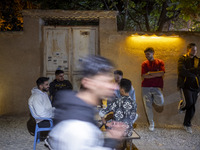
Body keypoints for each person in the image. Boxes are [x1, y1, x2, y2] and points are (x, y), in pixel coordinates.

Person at [46, 55, 126, 150]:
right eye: (106, 81)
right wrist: (113, 140)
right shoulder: (77, 127)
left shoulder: (81, 110)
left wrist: (111, 138)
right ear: (88, 83)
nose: (114, 87)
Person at [177, 43, 200, 134]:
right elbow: (181, 71)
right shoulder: (182, 58)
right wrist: (193, 74)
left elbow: (198, 71)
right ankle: (182, 106)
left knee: (192, 106)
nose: (195, 51)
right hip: (185, 85)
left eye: (196, 50)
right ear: (188, 50)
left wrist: (189, 71)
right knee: (189, 102)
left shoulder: (198, 60)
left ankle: (187, 124)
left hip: (196, 86)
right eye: (193, 49)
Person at [141, 47, 165, 131]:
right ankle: (151, 123)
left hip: (157, 86)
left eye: (148, 54)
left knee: (161, 102)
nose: (146, 56)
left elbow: (162, 73)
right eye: (145, 54)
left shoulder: (160, 62)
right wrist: (156, 74)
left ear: (153, 53)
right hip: (146, 87)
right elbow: (144, 76)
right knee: (147, 106)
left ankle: (153, 100)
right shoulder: (144, 63)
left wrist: (150, 73)